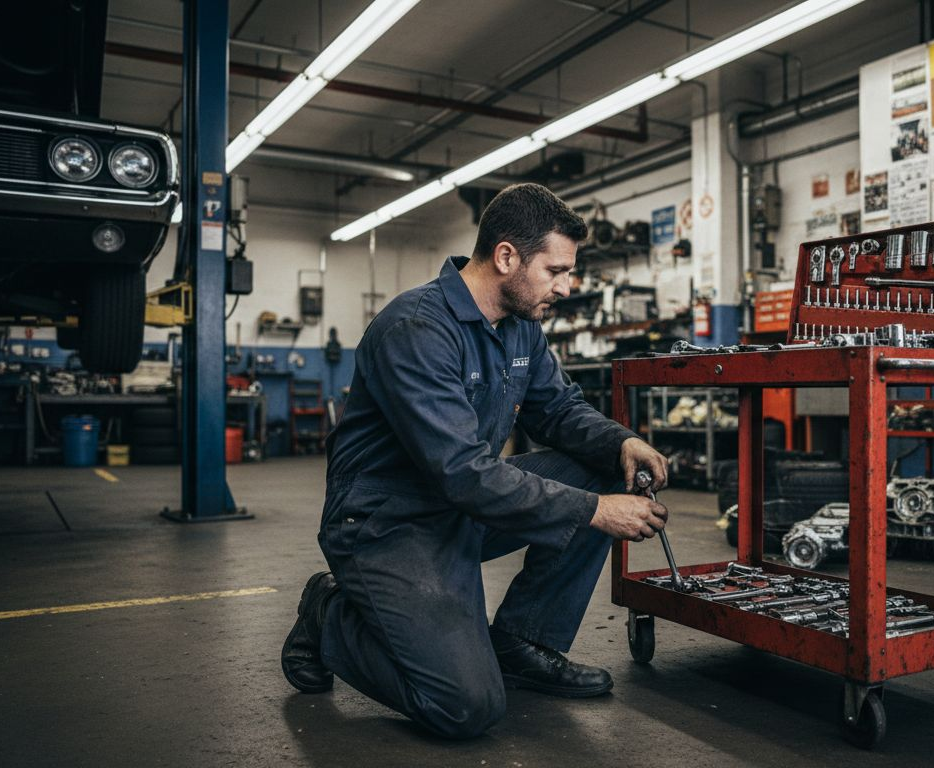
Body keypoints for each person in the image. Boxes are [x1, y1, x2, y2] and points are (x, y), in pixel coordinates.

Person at [280, 183, 671, 739]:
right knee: (465, 707)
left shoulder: (521, 327)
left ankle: (523, 641)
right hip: (388, 523)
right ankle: (328, 615)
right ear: (507, 256)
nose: (567, 286)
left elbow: (557, 408)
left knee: (607, 469)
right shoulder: (417, 329)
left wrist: (621, 443)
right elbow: (462, 472)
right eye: (556, 270)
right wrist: (595, 512)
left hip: (462, 507)